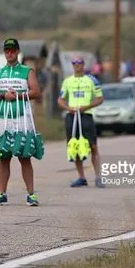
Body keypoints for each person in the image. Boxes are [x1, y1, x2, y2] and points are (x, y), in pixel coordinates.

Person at [0, 38, 42, 206]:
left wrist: (17, 95)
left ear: (18, 52)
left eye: (12, 50)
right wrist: (3, 95)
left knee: (24, 156)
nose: (9, 53)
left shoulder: (27, 71)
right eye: (6, 50)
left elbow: (36, 91)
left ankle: (31, 194)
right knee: (3, 157)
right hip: (3, 119)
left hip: (21, 119)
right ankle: (1, 193)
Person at [57, 56, 104, 188]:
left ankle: (98, 177)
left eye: (79, 62)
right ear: (72, 65)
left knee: (93, 146)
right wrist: (68, 108)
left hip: (86, 116)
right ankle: (81, 177)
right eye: (74, 63)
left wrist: (86, 107)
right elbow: (60, 100)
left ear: (83, 64)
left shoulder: (91, 80)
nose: (77, 65)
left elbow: (100, 99)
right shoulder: (67, 81)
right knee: (75, 146)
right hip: (71, 116)